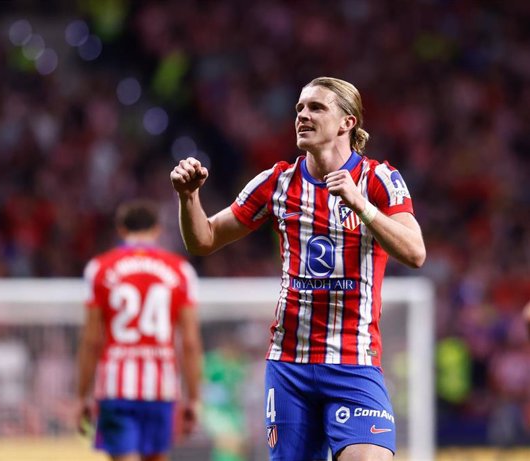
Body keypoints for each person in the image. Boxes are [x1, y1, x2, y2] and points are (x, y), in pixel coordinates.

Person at [170, 76, 426, 461]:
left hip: (353, 364)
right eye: (300, 109)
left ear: (347, 122)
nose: (303, 115)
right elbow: (203, 239)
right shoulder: (277, 182)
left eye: (316, 107)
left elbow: (415, 252)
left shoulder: (378, 179)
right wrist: (188, 198)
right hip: (290, 367)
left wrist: (361, 206)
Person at [76, 199, 203, 461]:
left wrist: (82, 396)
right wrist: (193, 398)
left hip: (115, 388)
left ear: (121, 230)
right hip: (161, 388)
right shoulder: (180, 270)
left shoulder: (99, 268)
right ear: (157, 230)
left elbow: (91, 340)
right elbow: (189, 343)